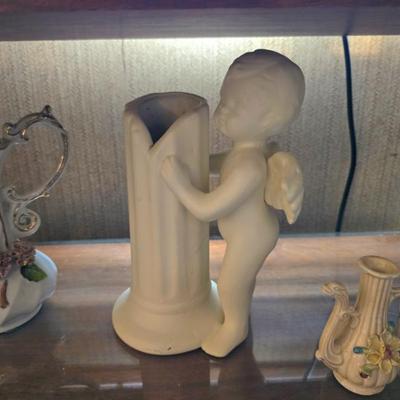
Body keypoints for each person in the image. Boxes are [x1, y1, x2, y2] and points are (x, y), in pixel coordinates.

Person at [161, 49, 305, 357]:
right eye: (223, 100)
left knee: (229, 284)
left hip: (252, 238)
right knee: (240, 282)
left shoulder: (250, 167)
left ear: (270, 119)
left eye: (235, 106)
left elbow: (205, 210)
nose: (223, 110)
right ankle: (240, 313)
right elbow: (220, 163)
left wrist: (178, 182)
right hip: (249, 234)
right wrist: (196, 160)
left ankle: (235, 329)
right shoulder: (245, 153)